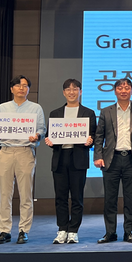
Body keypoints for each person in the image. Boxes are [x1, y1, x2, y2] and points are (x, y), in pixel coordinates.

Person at [0, 75, 46, 245]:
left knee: (25, 194)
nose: (22, 88)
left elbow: (42, 129)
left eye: (25, 85)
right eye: (18, 85)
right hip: (6, 151)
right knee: (4, 194)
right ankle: (5, 230)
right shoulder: (3, 107)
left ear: (29, 89)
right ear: (11, 88)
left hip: (25, 151)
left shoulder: (35, 108)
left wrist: (37, 135)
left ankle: (24, 230)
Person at [93, 78, 132, 244]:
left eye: (127, 87)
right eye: (120, 88)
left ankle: (128, 232)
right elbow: (99, 136)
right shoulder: (106, 111)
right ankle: (110, 232)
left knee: (130, 199)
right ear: (115, 91)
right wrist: (98, 156)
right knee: (110, 199)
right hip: (111, 159)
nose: (123, 91)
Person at [44, 79, 96, 244]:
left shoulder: (88, 113)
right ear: (63, 92)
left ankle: (73, 230)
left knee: (77, 197)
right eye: (68, 89)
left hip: (78, 158)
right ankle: (62, 229)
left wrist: (90, 141)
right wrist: (49, 140)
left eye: (75, 89)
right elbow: (50, 134)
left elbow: (93, 135)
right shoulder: (55, 113)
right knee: (60, 197)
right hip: (60, 158)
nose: (71, 92)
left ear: (80, 92)